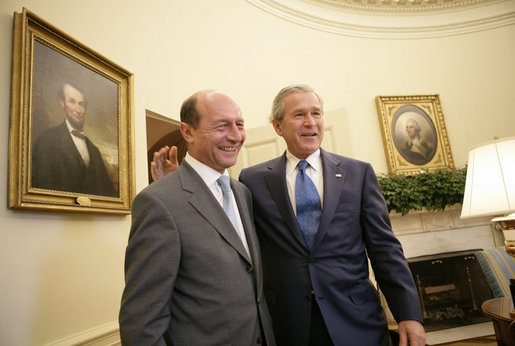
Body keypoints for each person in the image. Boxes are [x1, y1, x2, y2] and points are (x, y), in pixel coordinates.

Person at [152, 85, 426, 346]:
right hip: (287, 326)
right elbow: (224, 231)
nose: (310, 122)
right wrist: (179, 184)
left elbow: (385, 250)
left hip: (357, 320)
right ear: (278, 126)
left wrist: (409, 315)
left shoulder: (359, 173)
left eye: (316, 113)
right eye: (299, 115)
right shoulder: (252, 180)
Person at [119, 90, 276, 345]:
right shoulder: (158, 202)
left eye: (239, 125)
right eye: (222, 125)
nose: (235, 136)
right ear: (187, 132)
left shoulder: (242, 192)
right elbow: (141, 321)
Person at [32, 82, 116, 196]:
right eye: (72, 102)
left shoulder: (94, 151)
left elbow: (108, 192)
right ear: (62, 103)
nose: (78, 110)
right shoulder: (47, 140)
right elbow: (41, 187)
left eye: (81, 104)